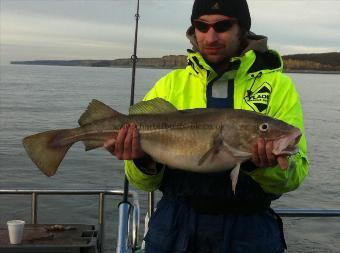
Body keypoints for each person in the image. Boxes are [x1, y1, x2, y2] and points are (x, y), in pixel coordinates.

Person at [105, 0, 309, 252]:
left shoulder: (278, 87)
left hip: (250, 231)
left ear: (242, 29)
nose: (211, 36)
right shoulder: (169, 85)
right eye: (201, 26)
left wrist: (260, 168)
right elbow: (143, 184)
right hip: (175, 226)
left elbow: (293, 177)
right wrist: (143, 162)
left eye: (222, 26)